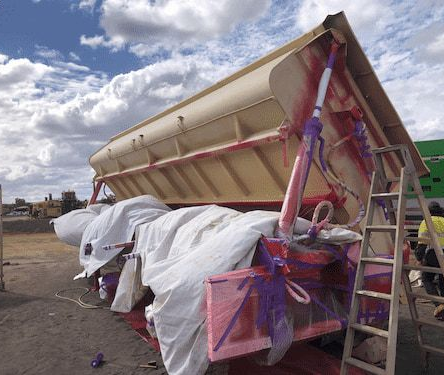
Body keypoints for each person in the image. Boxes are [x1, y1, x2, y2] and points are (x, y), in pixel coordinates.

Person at [414, 201, 444, 320]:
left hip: (434, 255)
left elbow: (422, 243)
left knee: (426, 278)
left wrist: (419, 258)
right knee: (442, 281)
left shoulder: (426, 221)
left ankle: (439, 304)